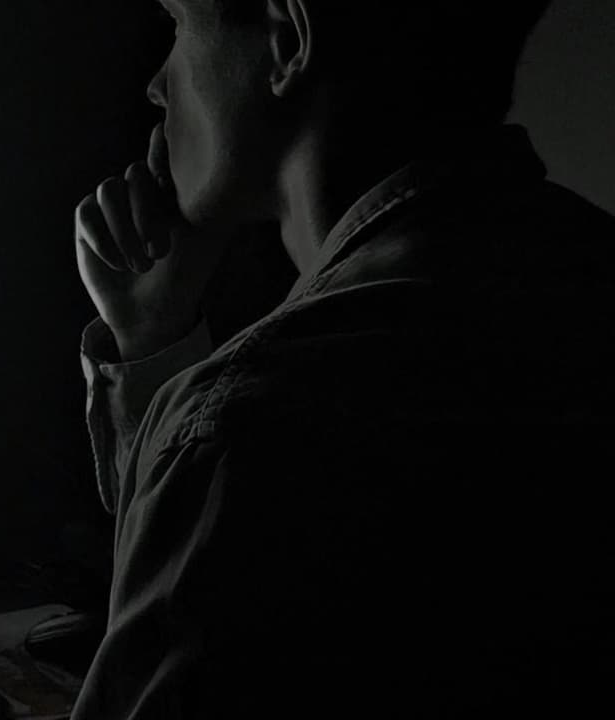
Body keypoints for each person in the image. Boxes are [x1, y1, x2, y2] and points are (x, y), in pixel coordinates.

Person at [74, 0, 615, 715]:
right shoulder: (583, 274)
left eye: (179, 22)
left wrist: (190, 419)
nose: (155, 85)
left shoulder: (253, 429)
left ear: (288, 39)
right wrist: (155, 337)